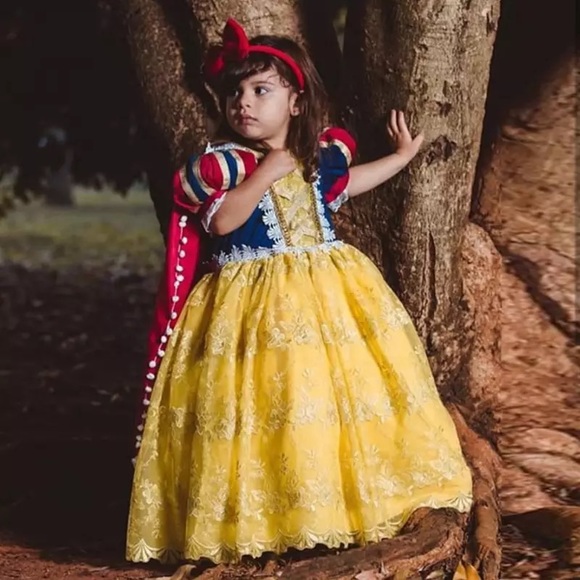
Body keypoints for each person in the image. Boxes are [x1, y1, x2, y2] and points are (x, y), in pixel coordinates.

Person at [126, 18, 472, 566]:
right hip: (251, 304)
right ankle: (267, 517)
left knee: (331, 397)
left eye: (260, 90)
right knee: (264, 403)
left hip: (328, 294)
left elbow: (349, 184)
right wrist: (266, 172)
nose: (244, 102)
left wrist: (401, 159)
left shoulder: (320, 158)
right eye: (236, 92)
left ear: (295, 101)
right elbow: (222, 222)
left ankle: (336, 507)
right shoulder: (227, 165)